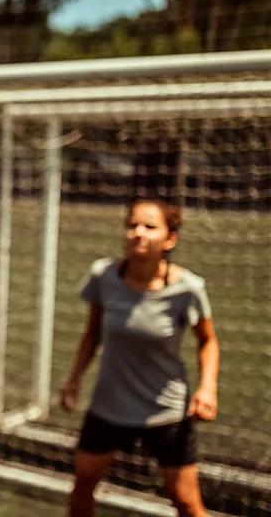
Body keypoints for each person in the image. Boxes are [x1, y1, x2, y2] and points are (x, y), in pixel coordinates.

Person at [59, 198, 220, 517]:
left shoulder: (187, 288)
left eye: (149, 227)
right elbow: (92, 332)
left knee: (185, 501)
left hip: (165, 410)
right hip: (110, 405)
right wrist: (74, 380)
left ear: (169, 239)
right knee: (82, 487)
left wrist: (208, 388)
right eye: (132, 225)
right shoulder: (103, 275)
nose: (138, 233)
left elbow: (208, 342)